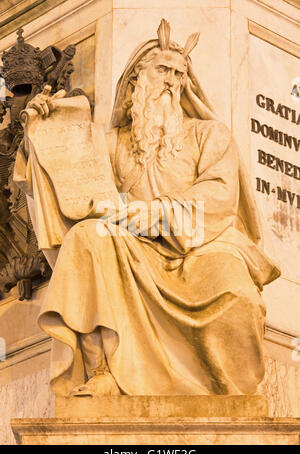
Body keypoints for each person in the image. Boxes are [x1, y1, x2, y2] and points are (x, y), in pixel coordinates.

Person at [14, 20, 280, 397]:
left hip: (200, 247)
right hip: (131, 247)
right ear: (137, 79)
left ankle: (228, 393)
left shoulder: (209, 135)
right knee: (86, 239)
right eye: (162, 70)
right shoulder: (110, 143)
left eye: (179, 73)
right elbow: (63, 184)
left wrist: (158, 213)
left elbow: (220, 195)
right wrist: (36, 134)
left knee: (236, 292)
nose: (171, 81)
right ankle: (103, 371)